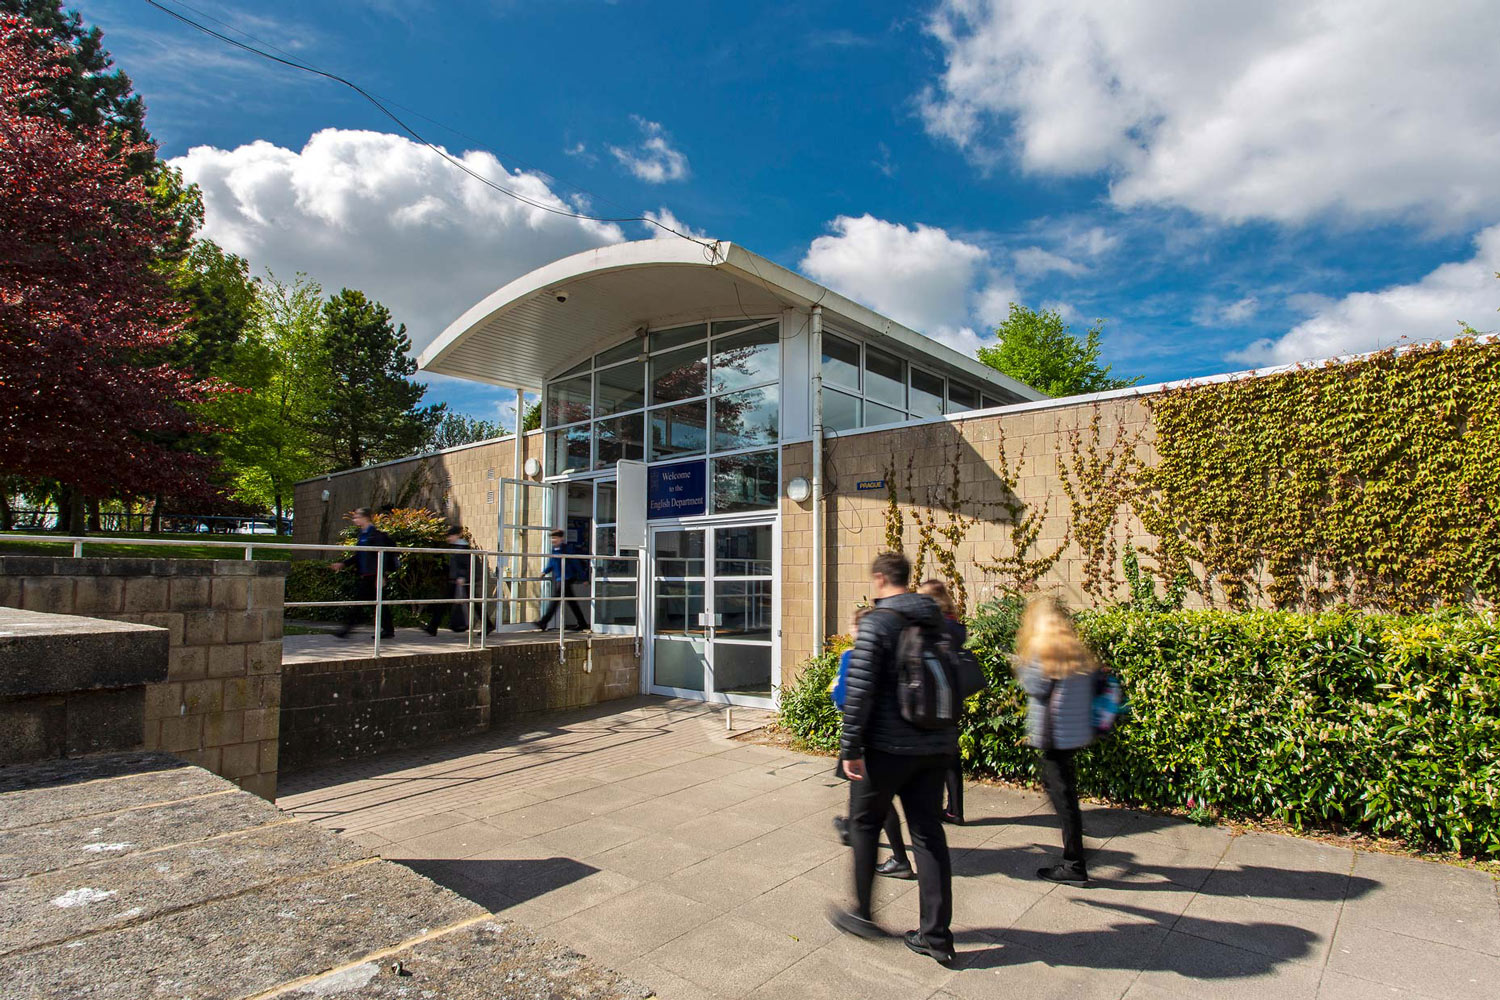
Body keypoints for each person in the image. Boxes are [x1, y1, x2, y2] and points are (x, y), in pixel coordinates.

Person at [829, 552, 957, 966]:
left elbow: (860, 688)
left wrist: (850, 748)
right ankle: (936, 936)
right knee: (929, 836)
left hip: (886, 748)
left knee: (864, 825)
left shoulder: (879, 621)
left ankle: (863, 913)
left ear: (882, 578)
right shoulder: (936, 618)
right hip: (936, 743)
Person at [1014, 594, 1099, 885]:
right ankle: (1075, 854)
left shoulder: (1043, 648)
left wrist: (1021, 664)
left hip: (1052, 736)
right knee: (1066, 796)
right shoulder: (1073, 647)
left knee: (1063, 799)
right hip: (1073, 735)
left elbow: (1034, 686)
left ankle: (1074, 863)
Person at [830, 607, 915, 880]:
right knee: (875, 799)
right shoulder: (893, 656)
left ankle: (897, 858)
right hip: (891, 740)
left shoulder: (852, 657)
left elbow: (844, 698)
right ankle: (853, 826)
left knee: (878, 802)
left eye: (854, 628)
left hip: (866, 740)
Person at [918, 579, 968, 826]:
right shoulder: (954, 624)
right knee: (951, 754)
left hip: (934, 698)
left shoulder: (935, 627)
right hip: (953, 698)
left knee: (935, 754)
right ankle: (955, 809)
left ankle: (935, 807)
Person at [330, 507, 395, 640]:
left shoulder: (374, 535)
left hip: (373, 576)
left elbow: (382, 556)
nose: (355, 519)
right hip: (366, 575)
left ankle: (346, 630)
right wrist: (343, 564)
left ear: (365, 518)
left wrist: (381, 575)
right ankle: (388, 629)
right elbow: (359, 555)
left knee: (361, 604)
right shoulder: (363, 535)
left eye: (357, 517)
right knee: (379, 604)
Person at [536, 528, 589, 631]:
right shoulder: (554, 550)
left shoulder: (567, 549)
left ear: (561, 538)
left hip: (567, 578)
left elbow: (576, 563)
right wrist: (544, 572)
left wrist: (584, 578)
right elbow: (552, 563)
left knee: (555, 601)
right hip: (560, 579)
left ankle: (543, 622)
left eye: (555, 538)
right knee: (571, 602)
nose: (553, 540)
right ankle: (582, 623)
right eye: (552, 538)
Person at [424, 525, 472, 636]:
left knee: (472, 603)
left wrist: (462, 577)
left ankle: (433, 626)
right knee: (445, 602)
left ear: (457, 535)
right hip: (455, 580)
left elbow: (466, 564)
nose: (448, 538)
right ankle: (433, 626)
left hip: (460, 580)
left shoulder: (462, 547)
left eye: (451, 536)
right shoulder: (456, 547)